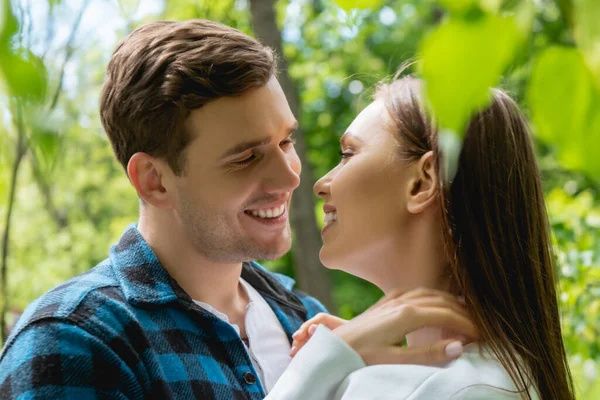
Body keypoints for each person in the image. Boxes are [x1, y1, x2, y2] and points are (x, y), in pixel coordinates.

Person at [0, 21, 475, 399]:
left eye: (286, 141)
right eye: (246, 157)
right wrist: (323, 369)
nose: (291, 177)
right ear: (154, 179)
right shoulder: (74, 340)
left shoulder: (304, 318)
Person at [266, 76, 576, 399]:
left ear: (422, 182)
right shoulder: (460, 383)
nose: (321, 183)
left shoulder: (465, 392)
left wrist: (324, 362)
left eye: (347, 154)